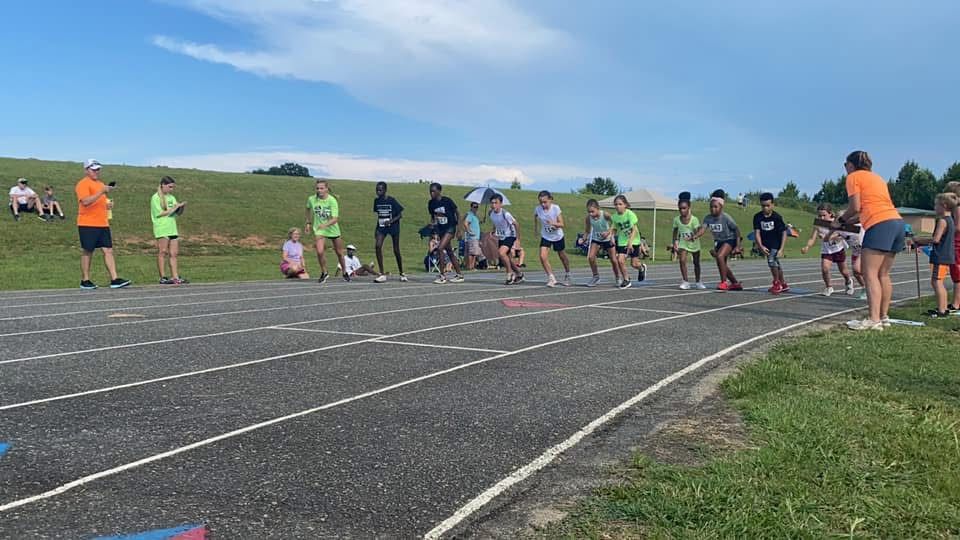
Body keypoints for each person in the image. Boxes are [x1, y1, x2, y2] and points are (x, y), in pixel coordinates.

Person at [836, 151, 905, 331]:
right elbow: (863, 211)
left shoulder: (853, 177)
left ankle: (873, 319)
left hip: (879, 224)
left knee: (870, 274)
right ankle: (883, 316)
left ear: (850, 165)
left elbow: (855, 207)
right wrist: (846, 223)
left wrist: (840, 220)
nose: (845, 168)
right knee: (883, 274)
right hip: (896, 222)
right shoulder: (877, 178)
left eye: (845, 165)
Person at [75, 159, 130, 290]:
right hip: (87, 223)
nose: (96, 172)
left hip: (102, 223)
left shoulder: (100, 184)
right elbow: (86, 202)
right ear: (86, 170)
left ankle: (114, 278)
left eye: (98, 169)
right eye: (93, 169)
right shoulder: (82, 184)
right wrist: (101, 192)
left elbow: (100, 201)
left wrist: (107, 204)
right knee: (88, 251)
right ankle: (85, 280)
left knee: (108, 250)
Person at [693, 190, 743, 291]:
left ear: (721, 207)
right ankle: (735, 283)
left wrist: (737, 246)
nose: (713, 209)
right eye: (711, 207)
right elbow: (703, 229)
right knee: (721, 263)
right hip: (719, 241)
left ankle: (724, 282)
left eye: (716, 207)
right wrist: (695, 236)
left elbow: (737, 230)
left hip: (730, 239)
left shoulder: (726, 217)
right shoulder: (708, 218)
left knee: (720, 256)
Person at [917, 193, 957, 317]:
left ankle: (942, 309)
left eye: (936, 205)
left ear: (944, 206)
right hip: (946, 255)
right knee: (938, 281)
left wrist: (919, 240)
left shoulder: (942, 221)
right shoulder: (951, 220)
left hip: (941, 255)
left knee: (937, 282)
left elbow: (936, 239)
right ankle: (943, 308)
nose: (934, 207)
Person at [801, 203, 853, 297]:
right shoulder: (818, 224)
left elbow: (841, 235)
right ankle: (829, 287)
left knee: (844, 271)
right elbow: (812, 238)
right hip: (826, 250)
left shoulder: (836, 223)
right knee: (825, 268)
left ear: (830, 214)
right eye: (819, 215)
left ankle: (848, 281)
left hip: (838, 249)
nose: (821, 218)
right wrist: (807, 247)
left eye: (824, 215)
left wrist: (828, 237)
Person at [306, 179, 348, 283]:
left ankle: (344, 271)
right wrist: (308, 223)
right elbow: (307, 209)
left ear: (327, 189)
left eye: (321, 188)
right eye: (317, 188)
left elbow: (335, 219)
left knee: (339, 252)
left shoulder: (332, 200)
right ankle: (324, 272)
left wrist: (325, 225)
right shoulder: (312, 199)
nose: (319, 190)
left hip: (332, 229)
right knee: (320, 251)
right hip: (319, 230)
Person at [151, 176, 189, 285]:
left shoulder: (172, 197)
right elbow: (160, 213)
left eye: (173, 187)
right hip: (162, 227)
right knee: (163, 252)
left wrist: (181, 208)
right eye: (169, 187)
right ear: (163, 185)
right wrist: (174, 208)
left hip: (172, 228)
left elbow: (177, 213)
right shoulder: (156, 197)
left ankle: (175, 276)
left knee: (174, 253)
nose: (171, 189)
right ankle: (163, 277)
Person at [753, 192, 790, 294]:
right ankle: (783, 284)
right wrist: (761, 246)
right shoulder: (757, 217)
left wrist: (781, 249)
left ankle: (777, 283)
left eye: (768, 206)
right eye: (763, 206)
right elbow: (757, 233)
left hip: (776, 243)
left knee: (771, 261)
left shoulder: (777, 217)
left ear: (773, 205)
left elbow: (784, 233)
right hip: (765, 243)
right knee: (776, 264)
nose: (765, 208)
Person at [428, 183, 464, 284]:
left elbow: (458, 213)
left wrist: (459, 230)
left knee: (440, 248)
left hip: (450, 227)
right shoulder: (431, 203)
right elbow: (433, 216)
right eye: (430, 191)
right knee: (450, 252)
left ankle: (442, 276)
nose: (431, 193)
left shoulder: (447, 201)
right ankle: (460, 275)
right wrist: (432, 224)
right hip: (441, 229)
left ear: (439, 191)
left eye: (434, 191)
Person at [534, 190, 571, 287]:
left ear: (550, 200)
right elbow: (535, 216)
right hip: (546, 236)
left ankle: (568, 273)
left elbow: (562, 224)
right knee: (542, 256)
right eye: (541, 202)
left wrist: (554, 224)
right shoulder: (538, 209)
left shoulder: (556, 208)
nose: (543, 204)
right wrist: (536, 229)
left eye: (545, 202)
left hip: (557, 236)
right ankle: (551, 277)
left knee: (562, 256)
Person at [372, 181, 407, 283]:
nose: (378, 192)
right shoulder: (376, 201)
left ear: (385, 190)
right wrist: (376, 229)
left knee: (396, 250)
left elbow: (400, 215)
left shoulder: (392, 200)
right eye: (377, 190)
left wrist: (390, 221)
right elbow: (379, 216)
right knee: (378, 246)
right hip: (381, 227)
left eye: (380, 190)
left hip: (393, 226)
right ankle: (382, 274)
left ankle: (402, 273)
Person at [488, 193, 525, 285]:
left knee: (501, 253)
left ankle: (510, 273)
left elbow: (516, 224)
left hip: (510, 236)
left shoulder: (506, 214)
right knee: (508, 259)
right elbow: (495, 222)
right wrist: (493, 231)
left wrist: (518, 239)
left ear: (501, 204)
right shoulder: (491, 213)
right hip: (501, 237)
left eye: (496, 203)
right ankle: (519, 274)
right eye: (492, 203)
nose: (494, 205)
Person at [584, 198, 619, 287]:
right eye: (589, 212)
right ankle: (596, 276)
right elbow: (587, 230)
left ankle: (618, 277)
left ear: (598, 208)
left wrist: (609, 233)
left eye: (592, 211)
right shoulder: (588, 218)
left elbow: (615, 223)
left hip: (607, 238)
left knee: (614, 260)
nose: (591, 214)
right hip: (596, 239)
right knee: (591, 257)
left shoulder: (605, 215)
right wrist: (583, 238)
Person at [672, 192, 705, 289]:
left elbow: (698, 230)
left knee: (696, 263)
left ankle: (698, 281)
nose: (682, 210)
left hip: (694, 244)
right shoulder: (676, 220)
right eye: (680, 209)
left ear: (689, 207)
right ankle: (685, 281)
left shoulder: (694, 219)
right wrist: (674, 242)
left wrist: (694, 236)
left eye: (684, 208)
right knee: (682, 261)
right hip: (683, 243)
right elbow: (675, 231)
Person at [610, 194, 640, 289]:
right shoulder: (614, 217)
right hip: (622, 240)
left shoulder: (630, 214)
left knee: (634, 264)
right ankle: (626, 279)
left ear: (625, 205)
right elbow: (614, 228)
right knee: (620, 260)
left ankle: (641, 267)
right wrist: (612, 237)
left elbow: (634, 230)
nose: (618, 206)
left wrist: (630, 242)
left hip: (634, 240)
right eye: (616, 204)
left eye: (620, 204)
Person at [944, 181, 960, 311]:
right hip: (955, 242)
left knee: (957, 273)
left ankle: (956, 303)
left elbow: (958, 227)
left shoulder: (957, 209)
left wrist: (946, 230)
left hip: (957, 243)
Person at [461, 202, 483, 270]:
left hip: (475, 237)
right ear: (471, 207)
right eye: (474, 207)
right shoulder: (470, 214)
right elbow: (465, 223)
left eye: (476, 207)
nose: (475, 208)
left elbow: (473, 224)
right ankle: (470, 267)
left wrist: (481, 222)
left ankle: (472, 266)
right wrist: (469, 232)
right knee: (472, 253)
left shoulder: (474, 215)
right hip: (472, 237)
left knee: (474, 253)